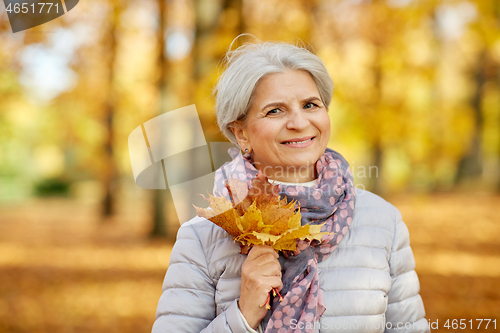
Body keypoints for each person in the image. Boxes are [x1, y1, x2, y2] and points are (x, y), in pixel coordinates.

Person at [152, 38, 429, 333]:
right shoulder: (203, 236)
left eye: (310, 105)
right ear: (241, 134)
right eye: (275, 111)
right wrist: (242, 315)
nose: (299, 122)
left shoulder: (382, 221)